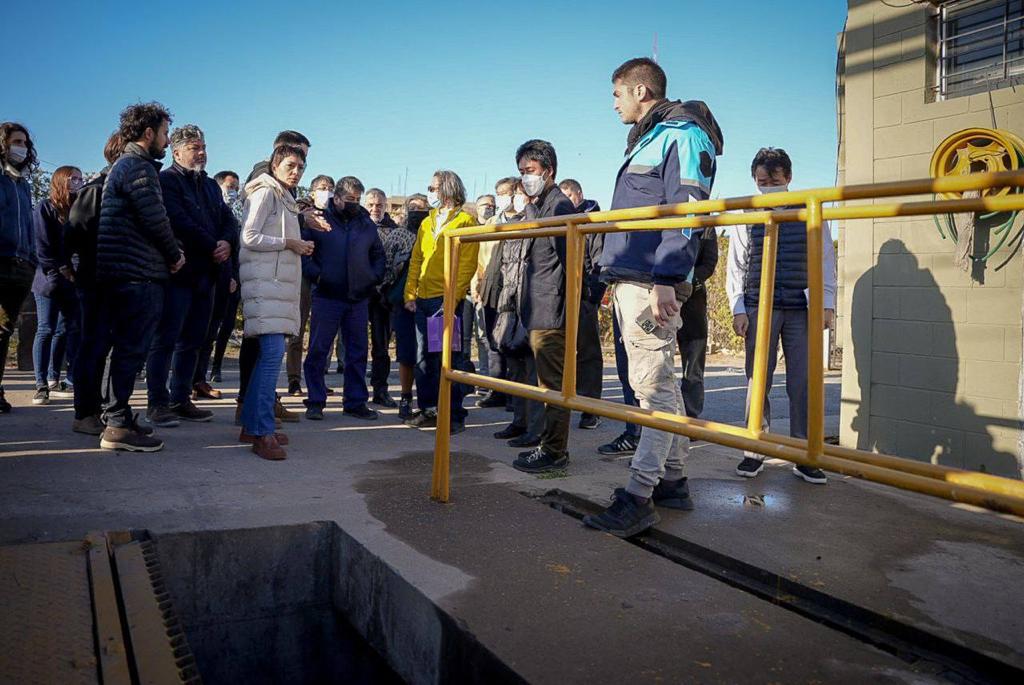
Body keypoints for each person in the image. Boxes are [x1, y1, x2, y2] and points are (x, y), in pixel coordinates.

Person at [584, 58, 724, 537]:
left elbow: (687, 207)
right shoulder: (653, 135)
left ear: (641, 89)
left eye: (617, 94)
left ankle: (639, 495)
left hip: (651, 281)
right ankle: (673, 482)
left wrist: (667, 275)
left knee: (653, 390)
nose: (614, 104)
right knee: (661, 384)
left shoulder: (681, 134)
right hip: (637, 277)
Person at [727, 147, 836, 484]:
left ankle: (804, 453)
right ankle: (753, 450)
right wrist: (738, 307)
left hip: (800, 306)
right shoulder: (749, 211)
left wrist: (827, 303)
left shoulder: (810, 206)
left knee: (802, 382)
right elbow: (737, 263)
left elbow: (826, 257)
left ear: (788, 178)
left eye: (774, 180)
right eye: (762, 181)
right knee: (757, 378)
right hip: (760, 304)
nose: (768, 186)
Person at [95, 102, 184, 452]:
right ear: (149, 133)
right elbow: (155, 219)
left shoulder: (128, 165)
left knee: (127, 350)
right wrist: (175, 255)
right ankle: (116, 425)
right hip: (137, 274)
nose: (165, 140)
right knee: (132, 349)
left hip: (127, 272)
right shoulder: (137, 167)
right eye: (164, 133)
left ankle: (118, 414)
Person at [145, 125, 235, 427]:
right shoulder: (166, 181)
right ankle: (157, 403)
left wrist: (227, 242)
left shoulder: (210, 186)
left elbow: (227, 220)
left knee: (194, 341)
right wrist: (213, 244)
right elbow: (178, 221)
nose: (202, 153)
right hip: (179, 274)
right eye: (195, 147)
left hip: (207, 276)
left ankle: (181, 398)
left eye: (203, 147)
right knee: (166, 339)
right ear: (177, 151)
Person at [238, 144, 314, 460]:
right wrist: (290, 243)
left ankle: (253, 426)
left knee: (267, 358)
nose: (295, 172)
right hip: (265, 287)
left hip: (275, 289)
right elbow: (249, 236)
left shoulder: (284, 196)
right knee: (271, 356)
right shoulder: (266, 192)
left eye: (300, 167)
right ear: (274, 165)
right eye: (290, 166)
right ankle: (262, 431)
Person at [511, 140, 577, 474]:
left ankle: (554, 451)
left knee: (553, 386)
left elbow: (570, 264)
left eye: (530, 171)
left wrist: (568, 311)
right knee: (545, 384)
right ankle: (548, 445)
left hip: (551, 311)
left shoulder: (559, 206)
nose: (524, 178)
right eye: (521, 172)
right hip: (538, 308)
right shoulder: (539, 206)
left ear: (548, 171)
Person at [302, 177, 385, 421]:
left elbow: (377, 254)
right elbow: (305, 253)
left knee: (357, 352)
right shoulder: (318, 220)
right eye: (350, 200)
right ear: (336, 198)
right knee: (318, 350)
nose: (355, 204)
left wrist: (373, 277)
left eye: (358, 200)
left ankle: (356, 402)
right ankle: (315, 401)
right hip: (327, 297)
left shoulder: (366, 223)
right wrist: (319, 276)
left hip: (358, 299)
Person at [403, 170, 479, 433]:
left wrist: (451, 299)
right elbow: (416, 260)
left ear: (447, 189)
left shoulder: (466, 222)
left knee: (449, 359)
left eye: (433, 187)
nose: (430, 191)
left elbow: (467, 266)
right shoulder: (427, 222)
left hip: (445, 302)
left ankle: (454, 415)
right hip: (423, 300)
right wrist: (410, 293)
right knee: (423, 358)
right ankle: (429, 409)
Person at [66, 133, 126, 435]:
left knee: (113, 349)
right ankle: (84, 412)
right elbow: (74, 233)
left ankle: (106, 408)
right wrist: (73, 269)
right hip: (97, 282)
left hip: (122, 282)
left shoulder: (125, 191)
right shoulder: (96, 190)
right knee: (93, 347)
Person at [491, 181, 544, 446]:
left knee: (534, 372)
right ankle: (519, 421)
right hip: (510, 302)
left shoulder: (539, 217)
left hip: (532, 303)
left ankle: (536, 430)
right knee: (515, 367)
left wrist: (532, 209)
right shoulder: (510, 226)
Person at [31, 166, 83, 405]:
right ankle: (40, 383)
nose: (78, 182)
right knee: (46, 328)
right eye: (73, 178)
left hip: (71, 280)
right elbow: (41, 247)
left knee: (67, 329)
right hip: (48, 280)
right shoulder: (45, 207)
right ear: (61, 180)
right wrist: (60, 269)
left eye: (80, 178)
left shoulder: (78, 208)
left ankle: (57, 377)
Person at [558, 178, 604, 430]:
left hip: (584, 295)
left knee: (588, 353)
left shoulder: (595, 223)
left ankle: (590, 408)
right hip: (560, 296)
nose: (566, 203)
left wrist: (591, 296)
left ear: (579, 194)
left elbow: (599, 263)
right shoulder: (561, 219)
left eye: (569, 197)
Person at [0, 122, 39, 413]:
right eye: (16, 142)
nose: (21, 148)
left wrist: (31, 258)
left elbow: (27, 224)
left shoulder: (22, 184)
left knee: (3, 332)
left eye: (25, 143)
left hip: (21, 266)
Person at [287, 174, 335, 396]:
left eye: (331, 188)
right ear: (313, 191)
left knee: (323, 336)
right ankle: (294, 380)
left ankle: (318, 380)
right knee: (297, 331)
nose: (328, 191)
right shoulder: (300, 212)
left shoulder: (335, 215)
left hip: (327, 280)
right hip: (305, 277)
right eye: (323, 187)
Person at [381, 194, 428, 420]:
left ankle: (429, 401)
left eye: (423, 208)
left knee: (430, 354)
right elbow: (387, 267)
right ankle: (406, 397)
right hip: (402, 303)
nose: (418, 211)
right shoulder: (398, 235)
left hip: (431, 301)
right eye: (414, 208)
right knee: (406, 353)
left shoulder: (433, 233)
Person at [475, 185, 512, 409]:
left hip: (510, 290)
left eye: (507, 193)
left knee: (511, 342)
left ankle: (514, 393)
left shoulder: (525, 219)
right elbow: (480, 258)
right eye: (500, 193)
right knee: (492, 342)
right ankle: (496, 389)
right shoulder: (489, 225)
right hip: (489, 289)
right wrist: (477, 285)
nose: (503, 197)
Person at [363, 187, 399, 407]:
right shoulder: (357, 226)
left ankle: (380, 389)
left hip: (383, 296)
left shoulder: (395, 230)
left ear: (385, 206)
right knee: (354, 346)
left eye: (379, 205)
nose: (375, 208)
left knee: (381, 347)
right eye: (371, 204)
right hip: (358, 293)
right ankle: (354, 392)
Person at [678, 227, 719, 418]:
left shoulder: (706, 226)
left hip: (692, 303)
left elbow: (709, 263)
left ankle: (691, 418)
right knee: (658, 365)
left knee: (693, 367)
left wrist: (689, 280)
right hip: (660, 299)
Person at [208, 170, 243, 384]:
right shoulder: (210, 212)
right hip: (212, 278)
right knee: (208, 327)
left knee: (227, 324)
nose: (233, 192)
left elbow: (240, 250)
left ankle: (217, 366)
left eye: (236, 189)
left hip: (233, 280)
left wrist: (235, 278)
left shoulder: (240, 216)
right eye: (230, 188)